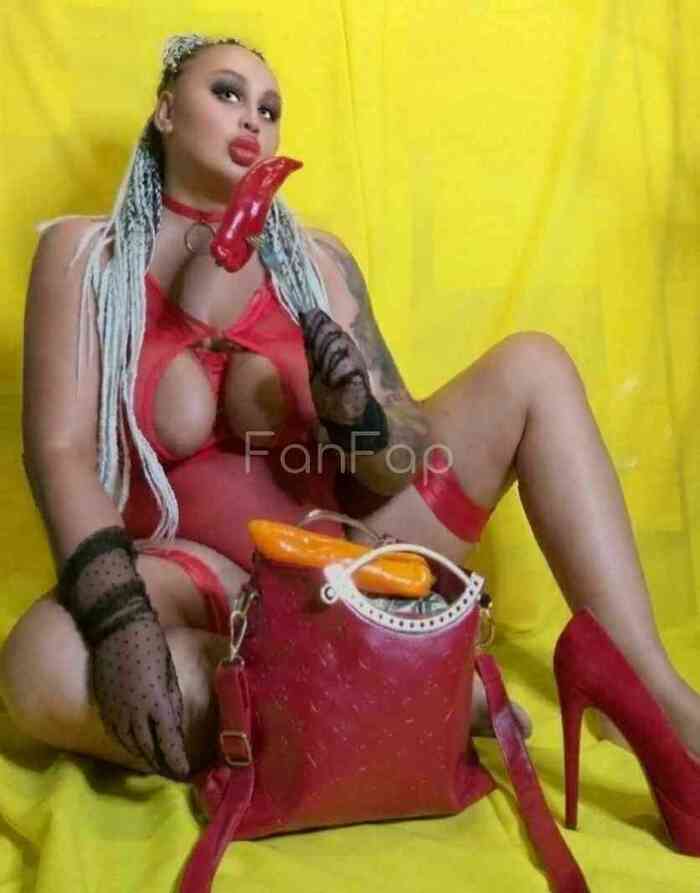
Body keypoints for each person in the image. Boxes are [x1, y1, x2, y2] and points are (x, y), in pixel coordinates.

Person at [1, 33, 699, 790]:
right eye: (227, 93)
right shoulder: (86, 258)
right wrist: (118, 621)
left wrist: (359, 416)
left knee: (535, 364)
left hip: (351, 560)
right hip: (195, 578)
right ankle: (402, 689)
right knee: (38, 665)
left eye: (270, 109)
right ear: (166, 111)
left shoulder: (317, 263)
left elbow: (399, 460)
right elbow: (61, 452)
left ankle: (642, 685)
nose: (253, 119)